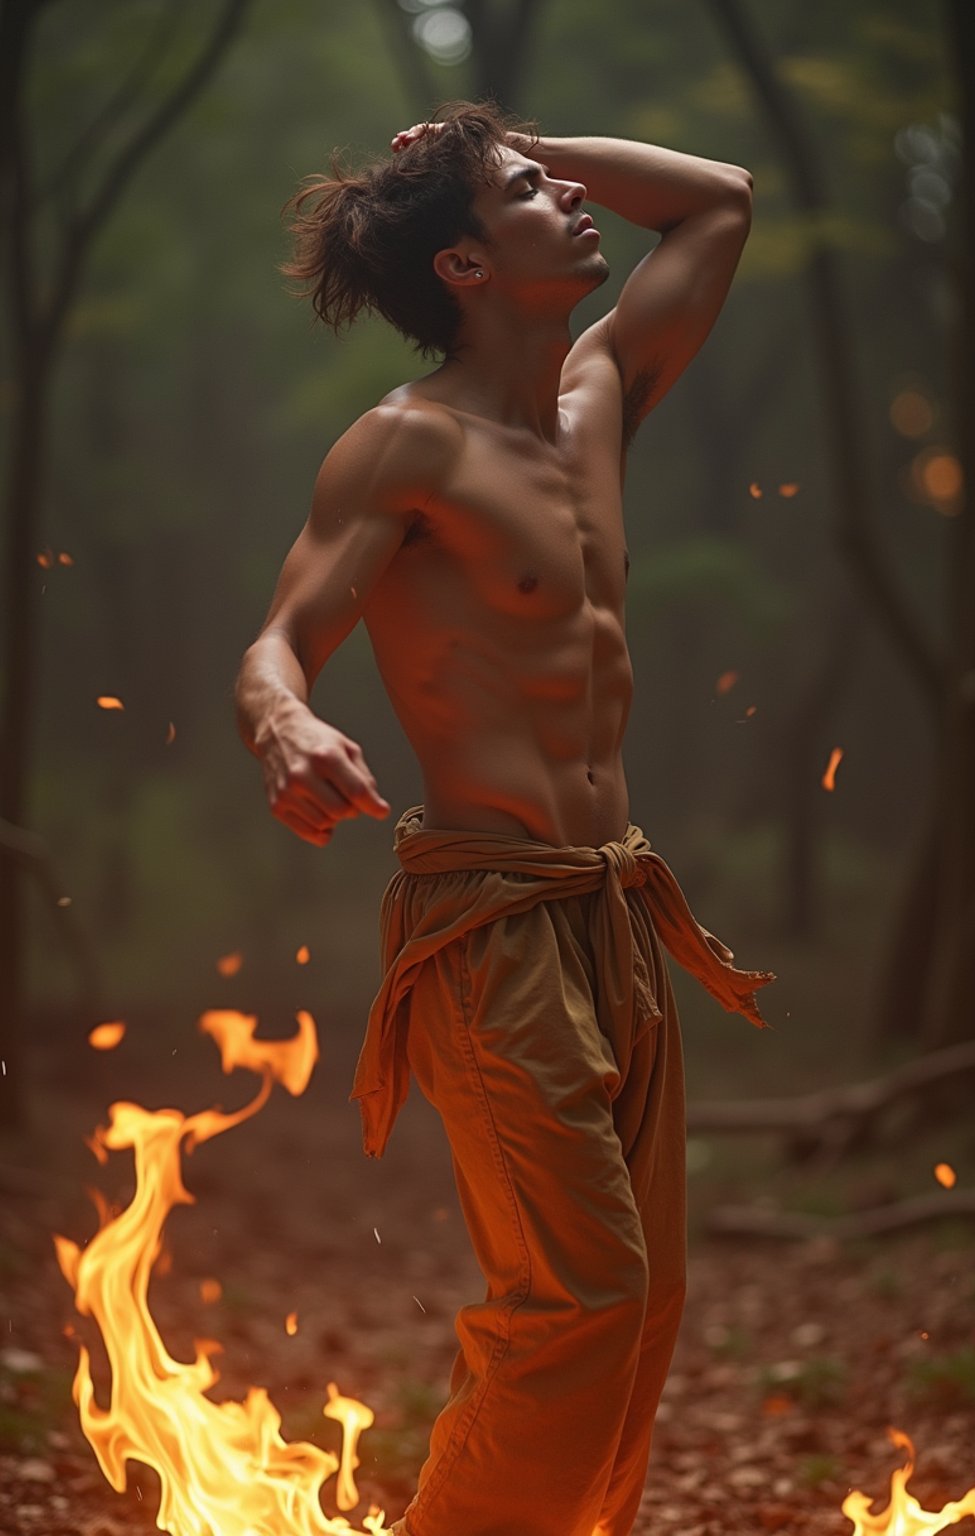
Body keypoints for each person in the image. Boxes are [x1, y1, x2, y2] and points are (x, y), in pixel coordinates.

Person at [234, 100, 773, 1536]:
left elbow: (718, 200)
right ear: (466, 270)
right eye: (534, 194)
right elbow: (276, 642)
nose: (573, 199)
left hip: (615, 912)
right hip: (490, 925)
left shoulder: (599, 401)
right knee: (578, 1302)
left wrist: (513, 141)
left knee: (642, 1309)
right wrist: (288, 722)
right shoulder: (403, 450)